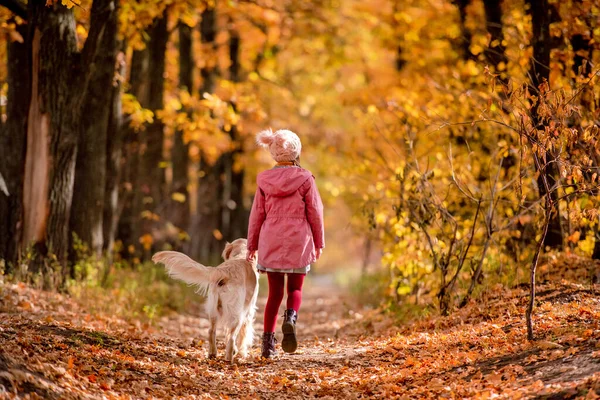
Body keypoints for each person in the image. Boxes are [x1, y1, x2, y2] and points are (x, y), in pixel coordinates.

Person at [246, 128, 325, 359]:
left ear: (273, 152)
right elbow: (316, 212)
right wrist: (319, 242)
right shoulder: (305, 178)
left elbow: (256, 215)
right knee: (295, 289)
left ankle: (267, 344)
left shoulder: (264, 179)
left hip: (271, 238)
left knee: (274, 294)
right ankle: (290, 317)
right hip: (298, 239)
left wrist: (252, 245)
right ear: (296, 151)